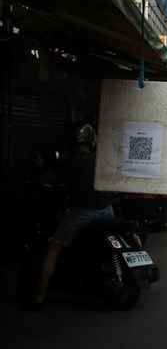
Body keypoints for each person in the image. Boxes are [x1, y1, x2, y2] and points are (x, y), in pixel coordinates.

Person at [30, 124, 114, 309]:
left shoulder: (68, 160)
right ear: (92, 140)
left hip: (81, 214)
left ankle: (39, 298)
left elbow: (44, 178)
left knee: (52, 249)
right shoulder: (100, 159)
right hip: (107, 210)